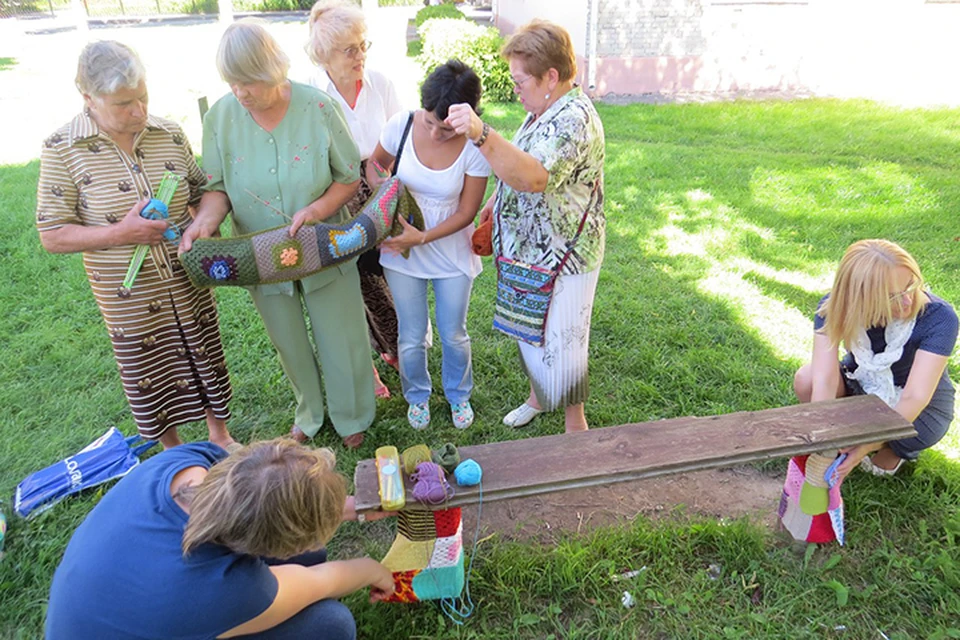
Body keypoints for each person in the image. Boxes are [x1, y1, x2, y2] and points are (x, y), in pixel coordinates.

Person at [179, 20, 374, 450]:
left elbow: (347, 177)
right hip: (260, 254)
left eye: (248, 82)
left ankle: (352, 413)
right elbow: (216, 187)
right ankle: (310, 410)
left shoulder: (318, 108)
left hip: (323, 244)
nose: (240, 92)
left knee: (340, 332)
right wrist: (206, 220)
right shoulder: (220, 117)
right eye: (231, 82)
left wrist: (317, 210)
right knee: (287, 339)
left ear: (273, 71)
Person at [36, 41, 236, 451]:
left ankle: (221, 436)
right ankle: (174, 452)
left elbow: (208, 191)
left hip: (187, 282)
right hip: (128, 296)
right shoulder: (62, 149)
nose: (139, 112)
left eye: (143, 97)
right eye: (123, 103)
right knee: (148, 369)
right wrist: (121, 234)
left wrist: (202, 221)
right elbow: (52, 233)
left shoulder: (168, 133)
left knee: (205, 352)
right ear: (88, 99)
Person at [45, 439, 395, 639]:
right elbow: (322, 581)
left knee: (310, 554)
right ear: (269, 542)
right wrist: (373, 570)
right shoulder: (226, 591)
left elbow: (266, 492)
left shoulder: (187, 463)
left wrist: (354, 508)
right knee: (329, 625)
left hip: (111, 604)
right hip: (165, 603)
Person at [445, 20, 606, 433]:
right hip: (527, 248)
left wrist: (482, 134)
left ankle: (576, 424)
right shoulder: (541, 111)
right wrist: (495, 204)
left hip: (565, 254)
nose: (515, 89)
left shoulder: (575, 118)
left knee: (566, 339)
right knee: (529, 331)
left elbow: (535, 176)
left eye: (521, 81)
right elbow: (517, 165)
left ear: (551, 76)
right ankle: (538, 397)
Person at [366, 60, 490, 430]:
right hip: (401, 253)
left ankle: (458, 394)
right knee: (410, 334)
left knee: (454, 332)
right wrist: (384, 193)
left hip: (451, 252)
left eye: (446, 128)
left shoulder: (476, 143)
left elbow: (468, 211)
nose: (436, 134)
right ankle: (417, 396)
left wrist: (422, 236)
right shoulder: (401, 124)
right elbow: (375, 163)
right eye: (429, 122)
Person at [794, 239, 958, 480]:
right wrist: (821, 434)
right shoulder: (834, 307)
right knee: (806, 379)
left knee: (880, 467)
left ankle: (889, 447)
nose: (907, 301)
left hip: (920, 406)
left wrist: (866, 446)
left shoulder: (940, 318)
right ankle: (849, 436)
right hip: (864, 384)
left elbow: (916, 396)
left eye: (911, 286)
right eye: (891, 297)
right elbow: (824, 378)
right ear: (860, 297)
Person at [306, 0, 404, 399]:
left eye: (364, 45)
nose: (360, 56)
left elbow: (401, 140)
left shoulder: (380, 83)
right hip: (337, 192)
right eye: (350, 49)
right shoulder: (311, 94)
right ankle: (378, 363)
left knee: (392, 273)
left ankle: (398, 348)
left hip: (380, 185)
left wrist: (390, 187)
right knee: (354, 283)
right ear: (325, 55)